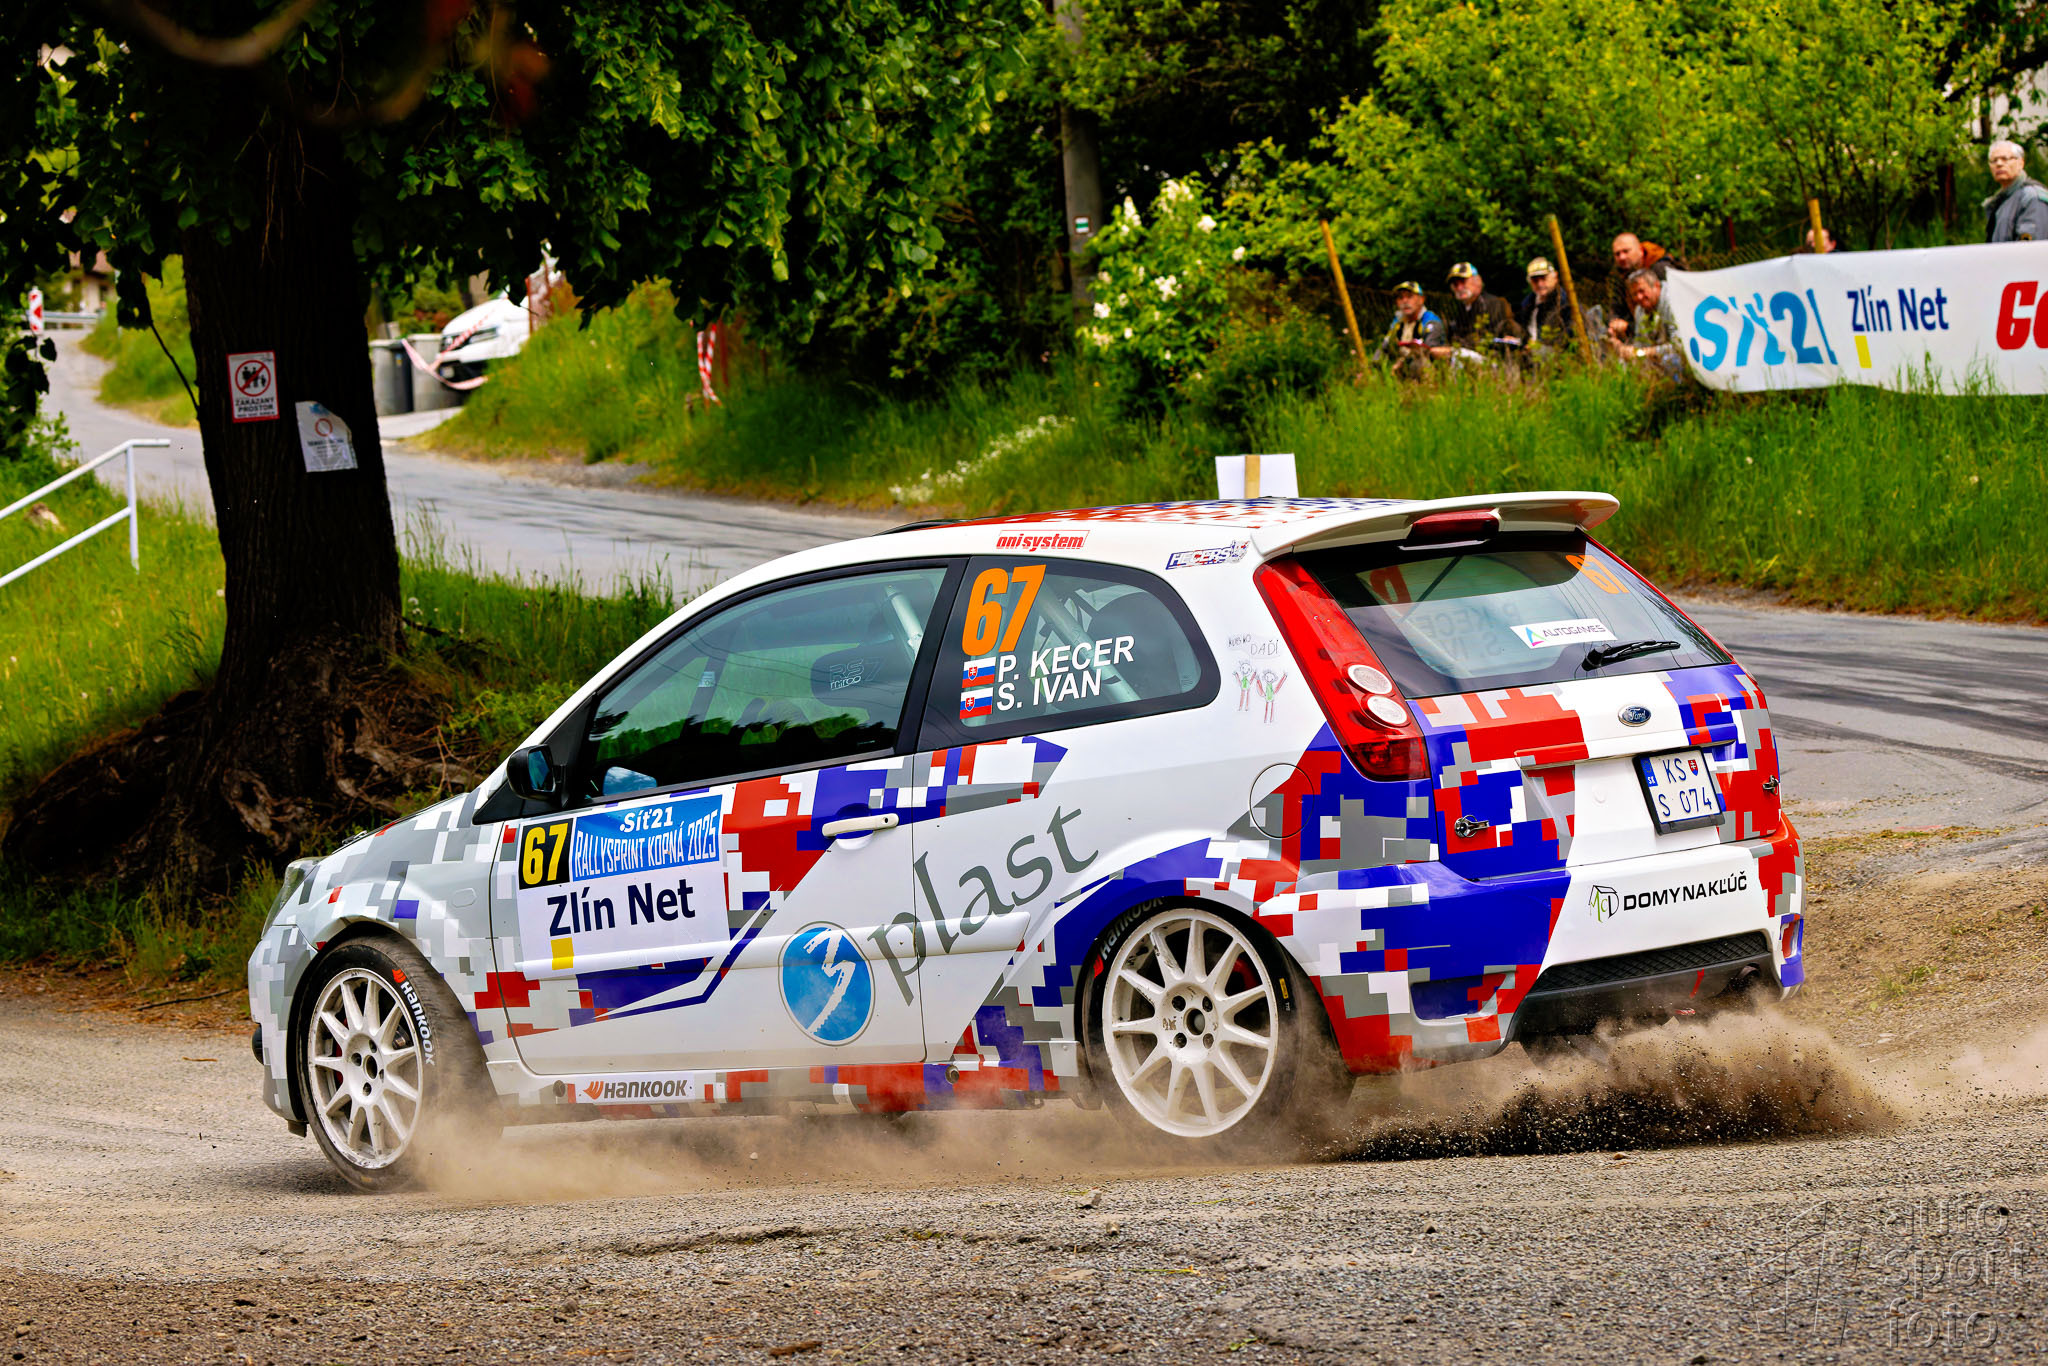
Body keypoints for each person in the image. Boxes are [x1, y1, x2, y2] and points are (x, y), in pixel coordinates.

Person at [1435, 262, 1523, 364]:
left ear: (1477, 281)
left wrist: (1453, 349)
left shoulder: (1492, 304)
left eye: (1463, 281)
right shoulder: (1462, 308)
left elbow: (1489, 339)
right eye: (1455, 284)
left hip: (1492, 359)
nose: (1459, 288)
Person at [1608, 269, 1682, 378]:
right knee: (1623, 362)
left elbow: (1678, 346)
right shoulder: (1640, 310)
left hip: (1685, 357)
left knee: (1671, 360)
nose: (1639, 297)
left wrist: (1642, 353)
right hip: (1657, 355)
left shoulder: (1672, 302)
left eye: (1642, 291)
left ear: (1656, 286)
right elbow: (1641, 342)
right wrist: (1624, 349)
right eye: (1634, 294)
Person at [1606, 233, 1674, 339]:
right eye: (1617, 254)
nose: (1622, 257)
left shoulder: (1662, 269)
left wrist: (1629, 327)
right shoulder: (1619, 276)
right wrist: (1615, 323)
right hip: (1641, 331)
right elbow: (1616, 308)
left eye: (1626, 251)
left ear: (1641, 250)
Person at [1376, 281, 1446, 379]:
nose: (1405, 301)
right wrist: (1372, 367)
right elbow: (1385, 346)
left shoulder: (1431, 322)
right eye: (1400, 297)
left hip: (1428, 371)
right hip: (1401, 368)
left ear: (1421, 299)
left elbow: (1429, 353)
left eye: (1409, 296)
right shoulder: (1397, 322)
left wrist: (1402, 363)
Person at [1518, 256, 1583, 359]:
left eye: (1543, 278)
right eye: (1535, 280)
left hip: (1558, 355)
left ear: (1555, 277)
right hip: (1530, 351)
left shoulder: (1565, 302)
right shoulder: (1527, 303)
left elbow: (1570, 337)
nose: (1540, 284)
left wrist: (1537, 346)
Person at [1985, 139, 2048, 243]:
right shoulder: (2001, 200)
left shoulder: (2032, 198)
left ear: (2020, 163)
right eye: (1994, 160)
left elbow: (2031, 248)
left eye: (2005, 159)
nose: (1999, 164)